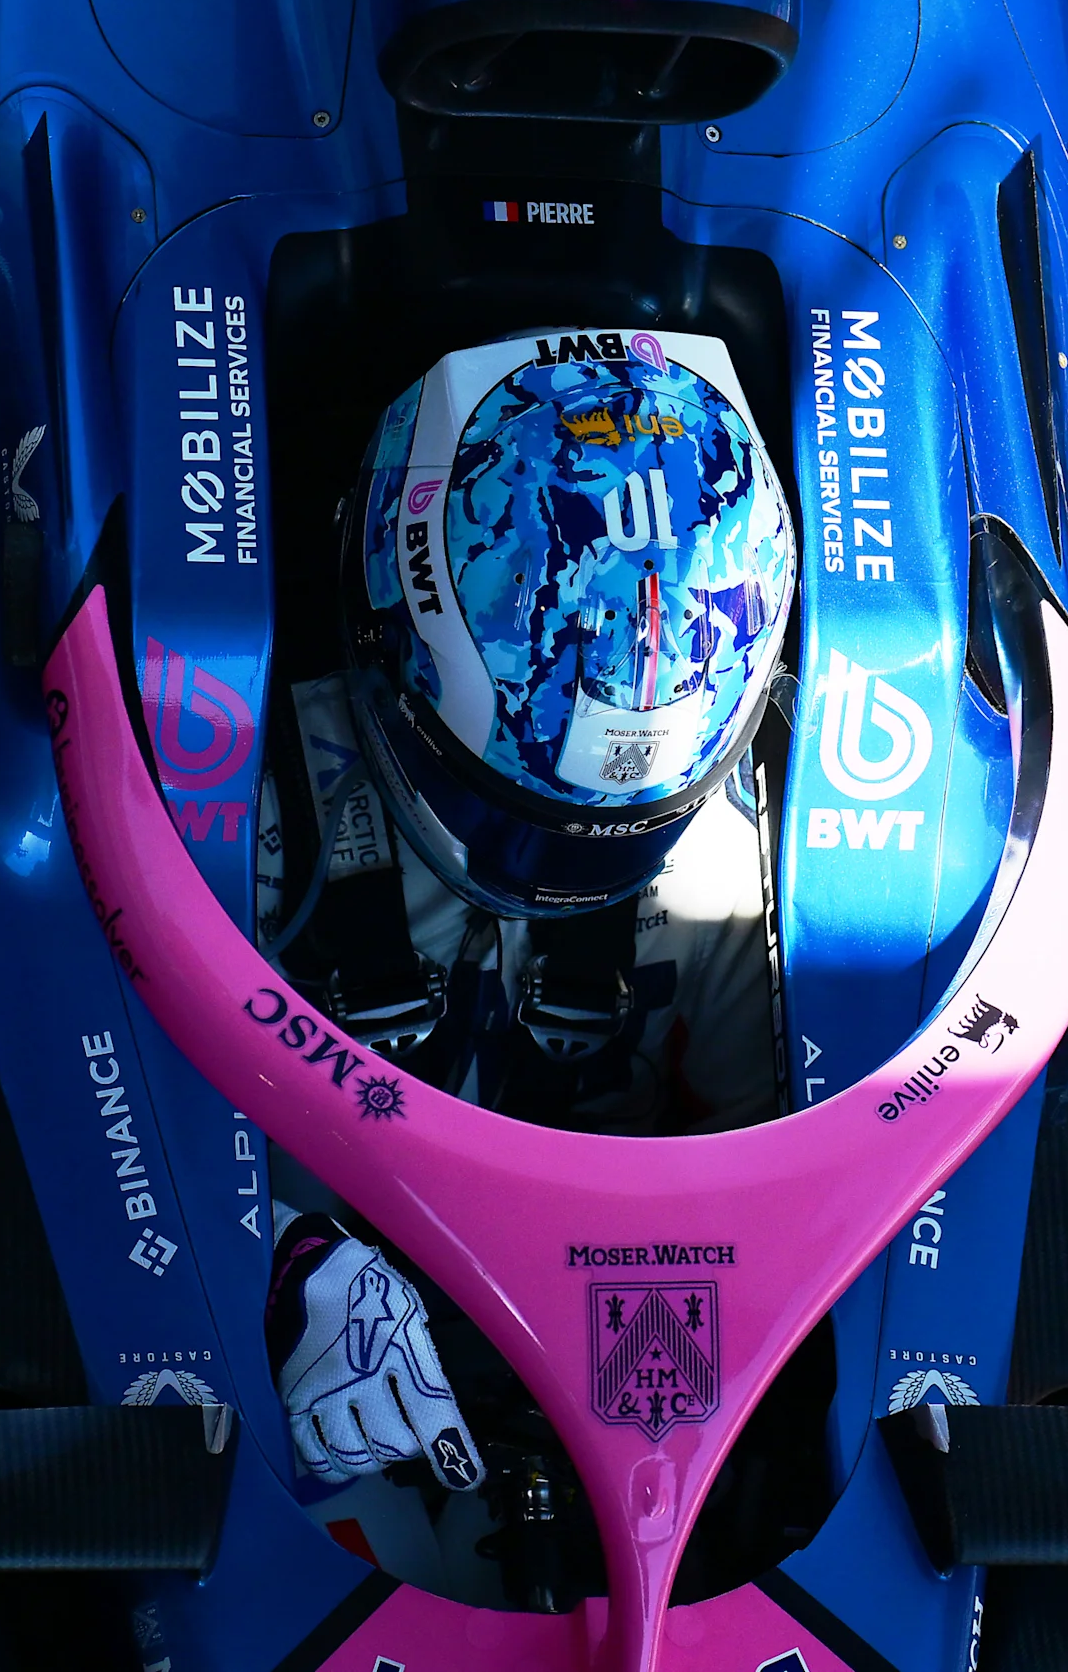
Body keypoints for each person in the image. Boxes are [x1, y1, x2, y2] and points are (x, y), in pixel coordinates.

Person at [256, 327, 797, 1498]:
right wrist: (282, 1257)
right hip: (341, 1431)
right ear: (385, 640)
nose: (561, 867)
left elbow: (793, 1204)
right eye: (521, 812)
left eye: (623, 825)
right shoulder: (250, 795)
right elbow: (123, 1143)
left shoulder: (747, 848)